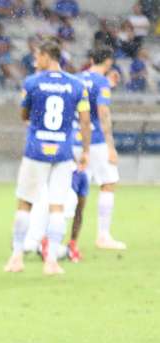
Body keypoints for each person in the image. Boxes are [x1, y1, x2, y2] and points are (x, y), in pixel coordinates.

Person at [4, 37, 91, 275]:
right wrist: (85, 151)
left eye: (37, 57)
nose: (35, 61)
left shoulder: (32, 82)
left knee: (25, 203)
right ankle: (51, 260)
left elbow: (24, 114)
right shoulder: (76, 85)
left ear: (46, 56)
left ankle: (17, 257)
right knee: (57, 207)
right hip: (63, 151)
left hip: (36, 150)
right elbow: (84, 121)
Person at [68, 46, 126, 256]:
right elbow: (102, 113)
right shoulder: (101, 82)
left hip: (74, 140)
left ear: (91, 59)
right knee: (108, 183)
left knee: (70, 189)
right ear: (109, 62)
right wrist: (111, 146)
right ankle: (103, 235)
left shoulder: (74, 78)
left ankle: (48, 237)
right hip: (95, 141)